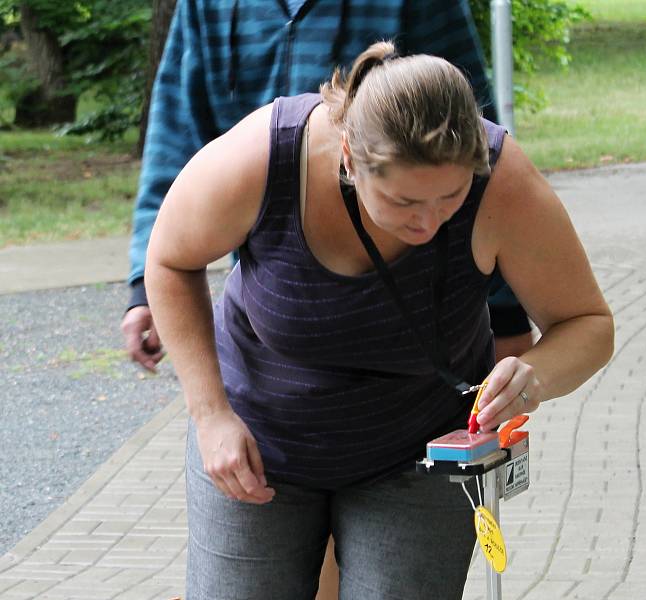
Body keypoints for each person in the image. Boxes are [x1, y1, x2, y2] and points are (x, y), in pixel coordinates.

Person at [144, 41, 614, 599]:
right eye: (402, 201)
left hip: (416, 455)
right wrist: (210, 414)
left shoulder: (502, 182)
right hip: (259, 445)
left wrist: (535, 374)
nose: (429, 221)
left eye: (450, 197)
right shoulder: (265, 157)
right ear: (348, 157)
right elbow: (170, 259)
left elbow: (587, 322)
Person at [122, 0, 533, 374]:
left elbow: (470, 143)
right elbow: (175, 137)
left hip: (410, 298)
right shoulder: (208, 7)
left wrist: (506, 308)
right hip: (273, 297)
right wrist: (146, 284)